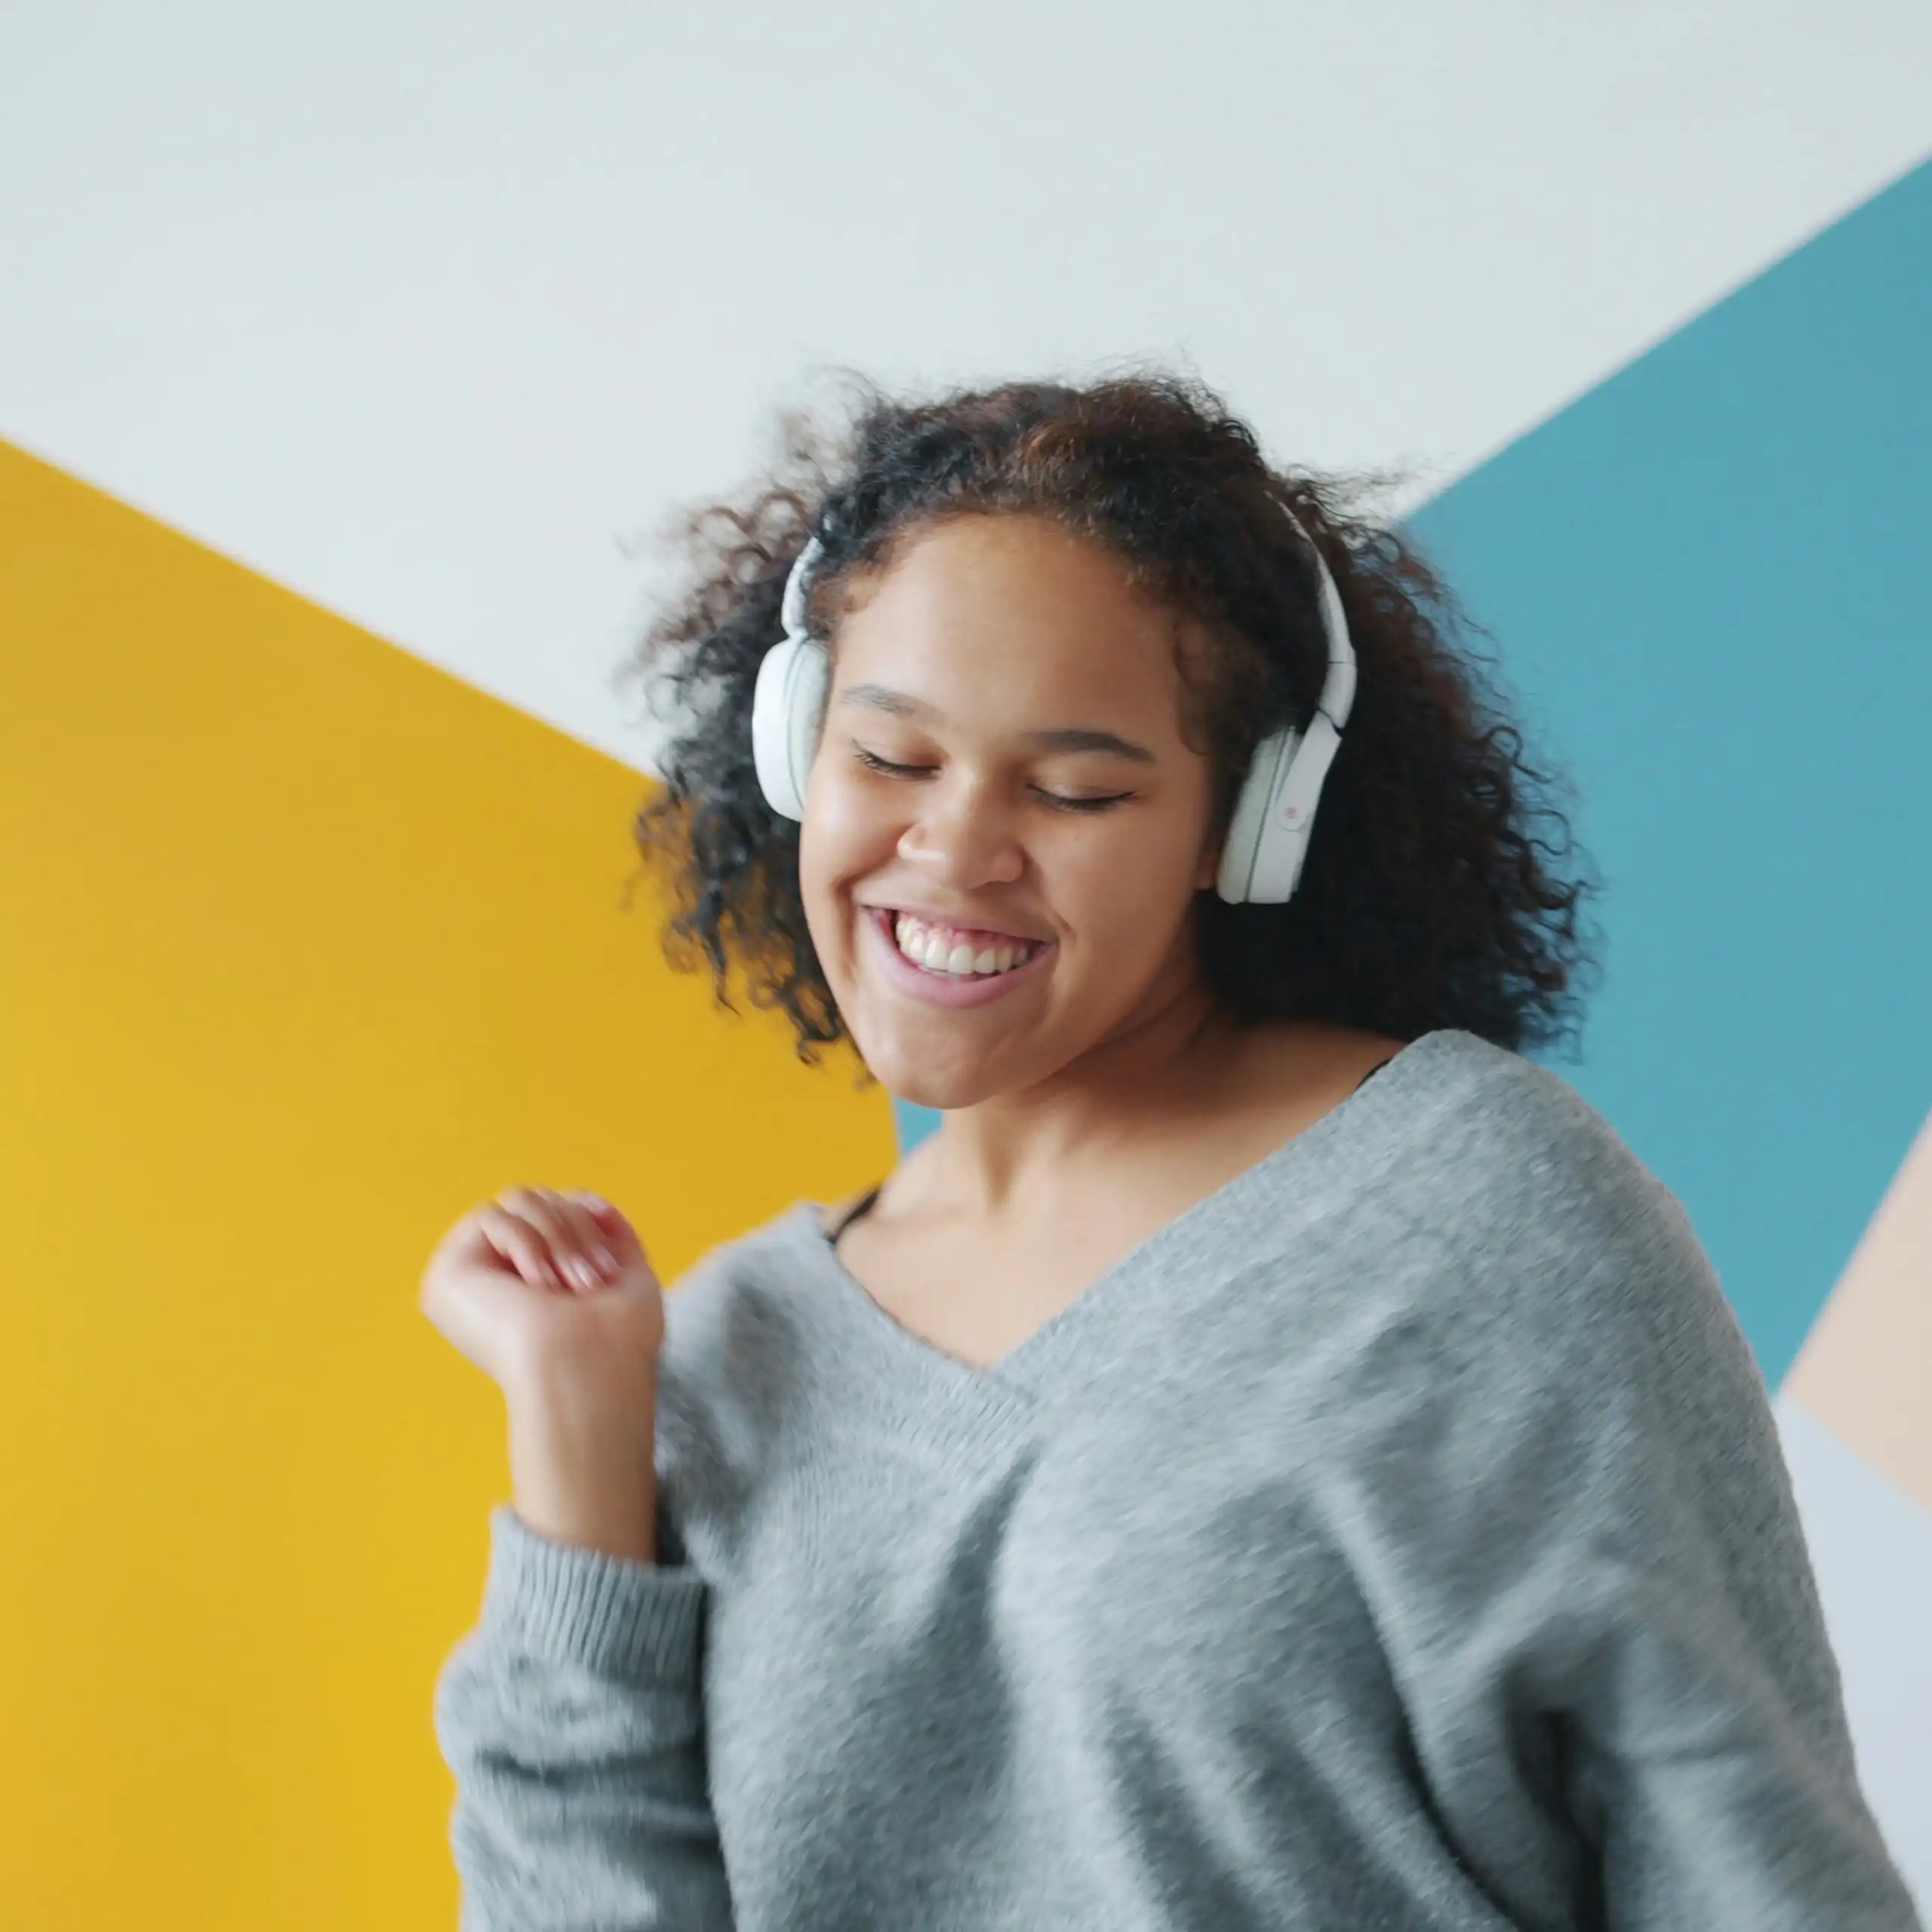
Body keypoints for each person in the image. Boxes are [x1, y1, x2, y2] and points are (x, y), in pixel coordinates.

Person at [420, 371, 1924, 1929]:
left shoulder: (1472, 1211)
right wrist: (581, 1426)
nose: (951, 848)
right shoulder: (731, 1351)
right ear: (795, 745)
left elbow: (1746, 1856)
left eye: (1073, 786)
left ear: (1244, 823)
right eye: (888, 757)